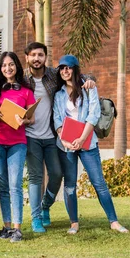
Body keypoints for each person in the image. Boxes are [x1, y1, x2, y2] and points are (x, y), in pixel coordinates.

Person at [22, 42, 97, 232]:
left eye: (40, 55)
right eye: (33, 55)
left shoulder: (52, 75)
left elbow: (76, 73)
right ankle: (36, 217)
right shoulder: (22, 78)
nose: (36, 58)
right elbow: (3, 80)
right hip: (30, 135)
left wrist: (90, 80)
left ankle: (46, 204)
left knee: (57, 174)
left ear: (45, 58)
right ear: (27, 58)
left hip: (51, 135)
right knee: (35, 177)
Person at [53, 54, 129, 235]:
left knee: (99, 183)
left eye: (68, 67)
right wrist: (64, 139)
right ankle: (74, 223)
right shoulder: (58, 95)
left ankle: (114, 221)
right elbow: (57, 119)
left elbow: (94, 115)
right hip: (66, 144)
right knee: (70, 185)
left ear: (75, 69)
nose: (65, 71)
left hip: (88, 143)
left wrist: (81, 138)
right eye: (62, 68)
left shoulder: (88, 88)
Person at [0, 51, 36, 242]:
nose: (8, 68)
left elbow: (32, 118)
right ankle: (6, 227)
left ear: (17, 66)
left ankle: (17, 228)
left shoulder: (26, 91)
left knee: (15, 185)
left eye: (11, 64)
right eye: (4, 65)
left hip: (17, 142)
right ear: (0, 68)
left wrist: (23, 121)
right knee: (2, 187)